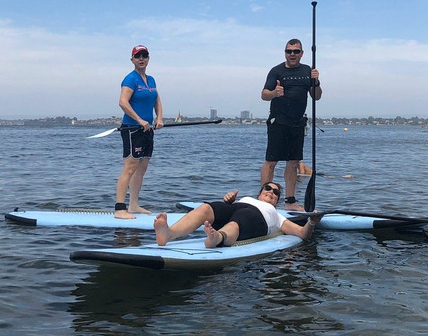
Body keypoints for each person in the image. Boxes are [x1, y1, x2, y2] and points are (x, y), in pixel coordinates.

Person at [154, 182, 323, 247]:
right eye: (268, 188)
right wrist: (228, 201)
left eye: (276, 192)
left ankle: (217, 238)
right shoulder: (246, 198)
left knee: (239, 220)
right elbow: (227, 210)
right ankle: (169, 234)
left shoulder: (278, 216)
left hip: (256, 219)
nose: (271, 192)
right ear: (260, 193)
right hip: (237, 208)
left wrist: (312, 222)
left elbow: (303, 234)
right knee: (207, 208)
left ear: (277, 201)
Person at [260, 38, 322, 211]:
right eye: (289, 51)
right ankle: (263, 200)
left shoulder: (308, 71)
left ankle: (290, 201)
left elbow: (316, 96)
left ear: (301, 53)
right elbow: (264, 95)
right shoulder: (276, 71)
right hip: (278, 122)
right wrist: (274, 93)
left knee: (294, 162)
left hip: (297, 123)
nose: (292, 54)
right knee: (271, 162)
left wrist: (316, 81)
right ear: (285, 53)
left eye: (296, 51)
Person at [115, 45, 163, 220]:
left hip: (147, 130)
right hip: (132, 129)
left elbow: (157, 100)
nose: (141, 59)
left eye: (144, 55)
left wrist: (159, 118)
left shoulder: (151, 80)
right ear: (132, 60)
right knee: (130, 168)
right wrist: (139, 120)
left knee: (142, 168)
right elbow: (123, 102)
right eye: (137, 56)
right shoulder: (130, 79)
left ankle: (133, 204)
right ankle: (119, 209)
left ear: (148, 58)